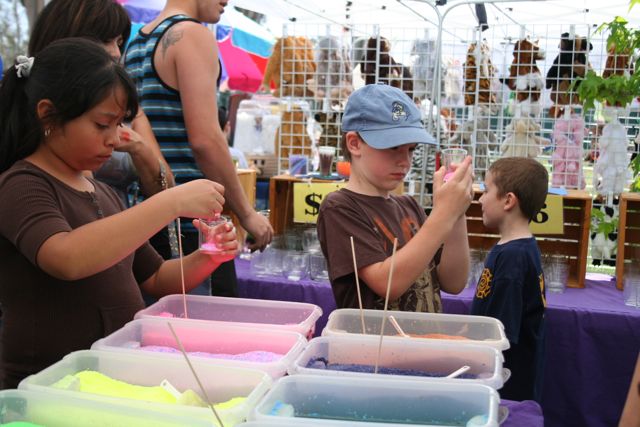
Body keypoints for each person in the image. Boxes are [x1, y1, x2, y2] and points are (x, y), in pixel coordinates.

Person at [0, 38, 237, 389]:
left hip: (110, 379)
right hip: (46, 387)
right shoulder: (22, 185)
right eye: (102, 125)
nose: (115, 139)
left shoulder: (104, 193)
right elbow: (66, 257)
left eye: (119, 125)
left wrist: (208, 256)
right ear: (48, 115)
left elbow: (157, 277)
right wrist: (170, 202)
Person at [124, 0, 272, 297]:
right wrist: (247, 213)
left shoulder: (137, 42)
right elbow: (205, 139)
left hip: (146, 220)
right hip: (192, 228)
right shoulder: (193, 34)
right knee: (208, 324)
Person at [317, 84, 474, 313]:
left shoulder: (409, 205)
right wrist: (444, 214)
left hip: (425, 335)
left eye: (410, 149)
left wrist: (457, 214)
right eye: (393, 147)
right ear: (354, 143)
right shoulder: (339, 207)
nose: (405, 161)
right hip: (371, 337)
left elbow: (453, 282)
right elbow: (387, 284)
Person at [28, 0, 174, 207]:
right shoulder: (42, 107)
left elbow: (166, 188)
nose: (116, 52)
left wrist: (139, 147)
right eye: (105, 40)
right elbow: (85, 202)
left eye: (119, 41)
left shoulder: (124, 105)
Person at [470, 157, 548, 402]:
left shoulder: (513, 258)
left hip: (505, 388)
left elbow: (500, 334)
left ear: (508, 200)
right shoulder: (516, 249)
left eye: (486, 190)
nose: (480, 199)